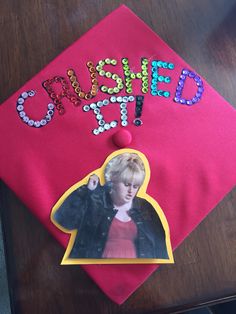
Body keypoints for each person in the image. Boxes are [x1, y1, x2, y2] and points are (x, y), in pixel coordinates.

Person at [53, 152, 169, 259]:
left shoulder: (146, 208)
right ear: (113, 179)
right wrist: (86, 192)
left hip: (135, 271)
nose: (131, 191)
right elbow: (64, 222)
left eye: (135, 186)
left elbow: (160, 249)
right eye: (127, 184)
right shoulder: (94, 199)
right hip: (93, 271)